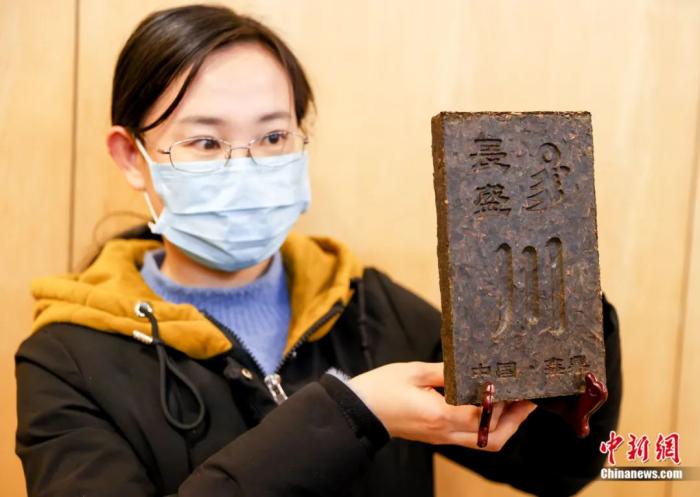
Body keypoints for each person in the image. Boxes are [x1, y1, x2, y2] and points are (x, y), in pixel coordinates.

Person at [15, 4, 622, 497]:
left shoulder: (368, 306)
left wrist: (567, 316)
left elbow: (554, 468)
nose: (246, 167)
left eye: (273, 135)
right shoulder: (66, 360)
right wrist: (351, 416)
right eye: (205, 142)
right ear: (132, 157)